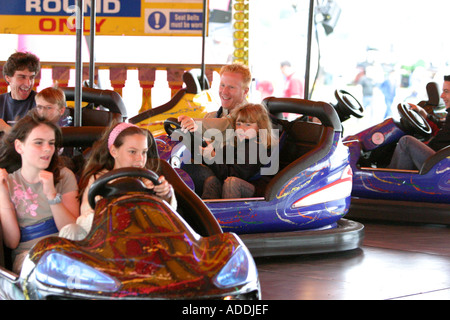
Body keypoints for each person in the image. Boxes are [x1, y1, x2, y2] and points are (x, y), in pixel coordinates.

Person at [61, 121, 176, 240]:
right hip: (106, 241)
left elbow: (167, 219)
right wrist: (107, 211)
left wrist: (165, 194)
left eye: (144, 152)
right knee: (71, 230)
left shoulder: (150, 180)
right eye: (132, 152)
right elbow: (84, 221)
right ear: (113, 151)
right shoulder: (97, 180)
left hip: (144, 240)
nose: (140, 159)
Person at [0, 114, 79, 273]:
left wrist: (52, 196)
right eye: (38, 143)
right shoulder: (8, 182)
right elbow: (12, 242)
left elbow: (72, 230)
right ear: (19, 146)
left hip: (66, 250)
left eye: (51, 143)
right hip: (28, 256)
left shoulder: (64, 176)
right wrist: (3, 194)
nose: (47, 149)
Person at [198, 103, 277, 199]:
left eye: (248, 125)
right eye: (238, 124)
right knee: (212, 181)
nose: (241, 129)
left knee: (231, 182)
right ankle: (206, 213)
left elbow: (234, 174)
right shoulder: (238, 142)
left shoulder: (257, 148)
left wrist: (212, 158)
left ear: (259, 127)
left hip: (259, 191)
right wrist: (205, 153)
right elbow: (221, 160)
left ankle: (229, 213)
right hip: (239, 182)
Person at [388, 75, 450, 170]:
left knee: (406, 142)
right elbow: (441, 128)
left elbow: (440, 139)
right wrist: (423, 113)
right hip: (441, 159)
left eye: (446, 91)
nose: (442, 96)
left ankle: (390, 182)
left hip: (441, 165)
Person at [0, 52, 40, 132]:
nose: (28, 84)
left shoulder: (41, 103)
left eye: (31, 77)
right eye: (22, 77)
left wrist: (5, 128)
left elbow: (37, 140)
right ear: (8, 78)